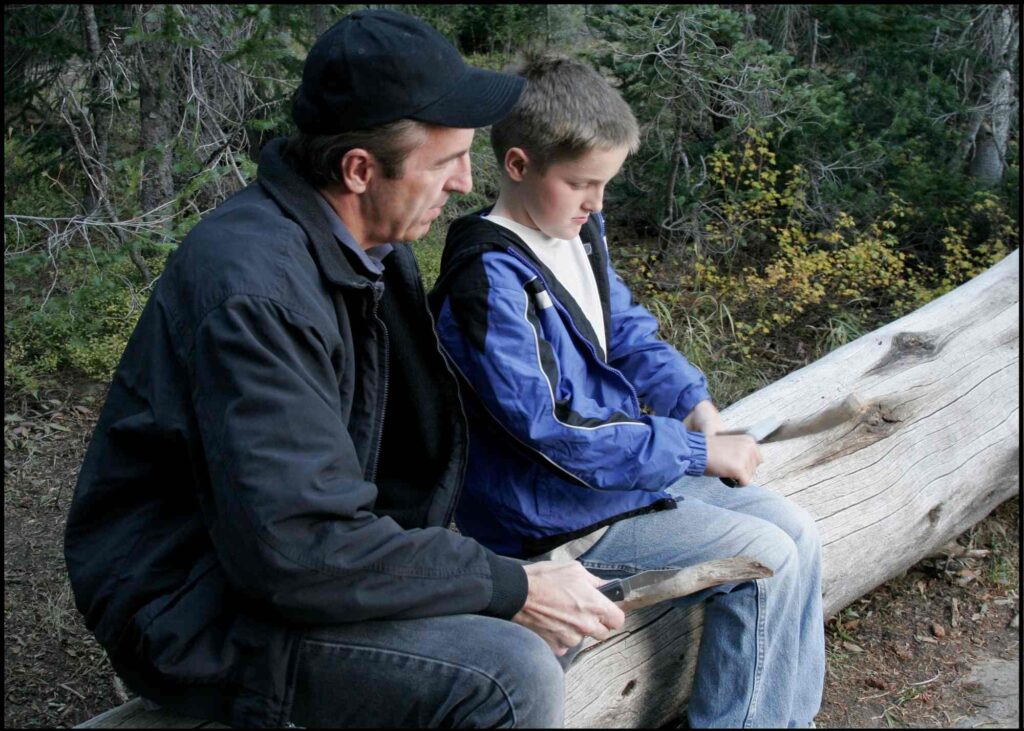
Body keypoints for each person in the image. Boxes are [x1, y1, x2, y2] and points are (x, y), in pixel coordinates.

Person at [63, 12, 626, 729]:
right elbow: (295, 547)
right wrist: (505, 584)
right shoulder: (256, 291)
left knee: (544, 628)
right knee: (508, 675)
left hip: (285, 565)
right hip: (195, 601)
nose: (463, 183)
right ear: (360, 169)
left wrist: (484, 576)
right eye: (445, 160)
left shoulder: (369, 248)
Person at [429, 53, 825, 728]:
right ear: (518, 165)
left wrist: (696, 408)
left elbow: (630, 334)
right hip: (550, 520)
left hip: (611, 487)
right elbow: (555, 426)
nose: (598, 202)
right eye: (582, 183)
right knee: (769, 556)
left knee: (796, 528)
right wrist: (697, 455)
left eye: (606, 183)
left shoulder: (575, 236)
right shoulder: (489, 278)